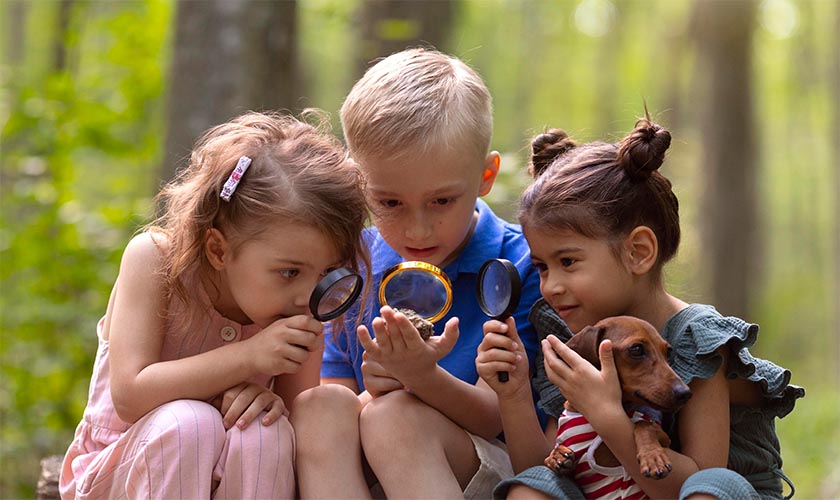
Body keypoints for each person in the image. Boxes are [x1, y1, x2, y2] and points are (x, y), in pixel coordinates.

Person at [477, 115, 805, 500]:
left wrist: (606, 415)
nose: (550, 286)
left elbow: (698, 482)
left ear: (638, 252)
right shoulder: (579, 342)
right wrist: (513, 395)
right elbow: (548, 466)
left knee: (712, 488)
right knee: (529, 490)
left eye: (567, 262)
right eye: (541, 267)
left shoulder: (695, 338)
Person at [59, 111, 370, 499]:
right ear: (219, 249)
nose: (307, 296)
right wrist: (250, 356)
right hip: (118, 473)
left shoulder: (302, 313)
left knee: (265, 431)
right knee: (191, 424)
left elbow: (296, 424)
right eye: (290, 273)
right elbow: (130, 395)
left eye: (326, 273)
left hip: (227, 478)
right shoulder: (156, 261)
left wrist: (270, 402)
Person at [290, 47, 543, 499]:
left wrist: (421, 379)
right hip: (374, 468)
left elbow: (496, 416)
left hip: (489, 470)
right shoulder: (353, 267)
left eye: (442, 201)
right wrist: (378, 387)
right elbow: (338, 404)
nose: (418, 228)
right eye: (389, 203)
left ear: (485, 176)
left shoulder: (520, 263)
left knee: (395, 419)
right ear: (358, 184)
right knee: (317, 408)